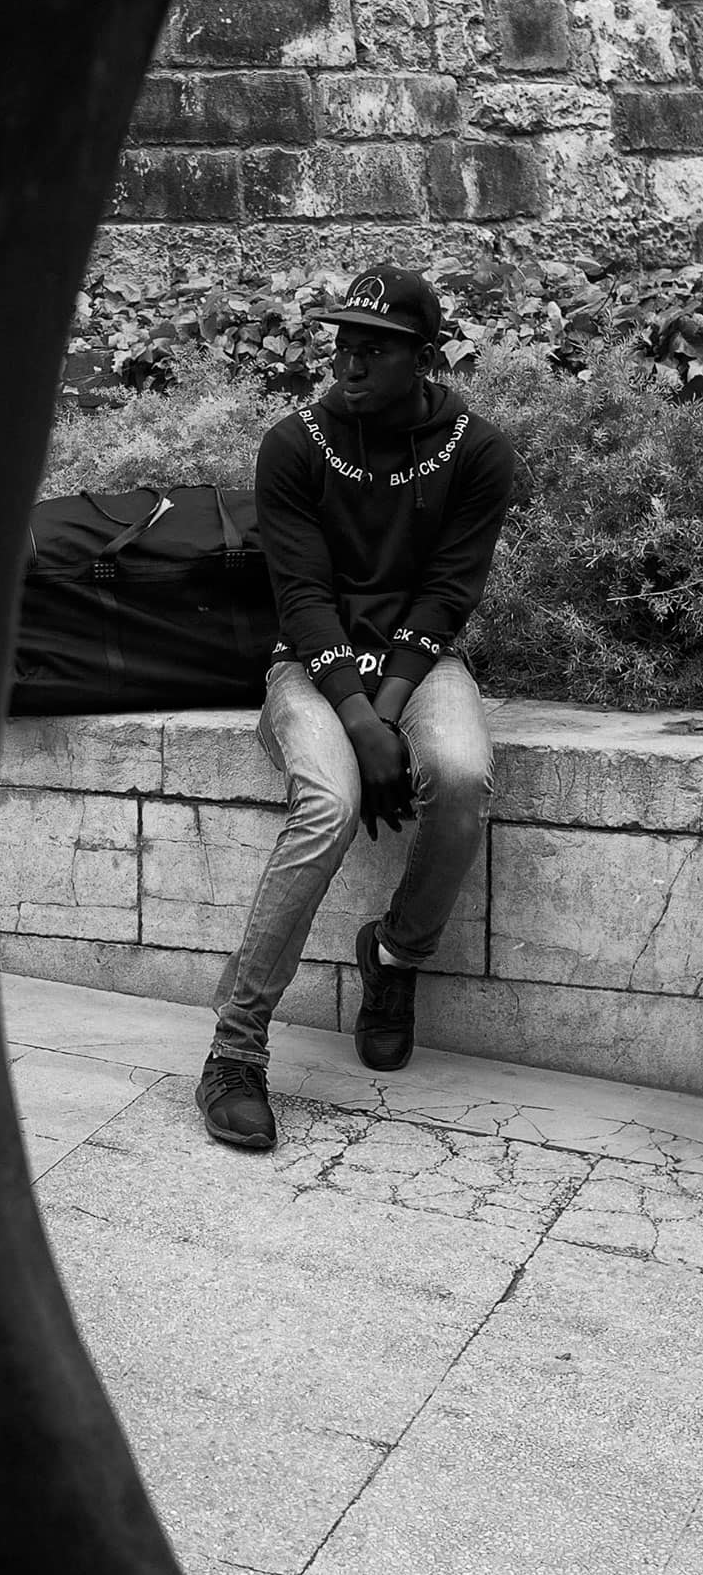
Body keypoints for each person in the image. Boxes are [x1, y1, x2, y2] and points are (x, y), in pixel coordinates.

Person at [196, 265, 517, 1152]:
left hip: (419, 660)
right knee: (330, 801)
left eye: (372, 348)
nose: (349, 361)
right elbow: (299, 598)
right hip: (306, 666)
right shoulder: (292, 442)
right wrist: (358, 723)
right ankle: (234, 1051)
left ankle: (393, 955)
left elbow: (447, 593)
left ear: (423, 356)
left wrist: (388, 708)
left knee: (458, 775)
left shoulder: (477, 451)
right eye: (340, 342)